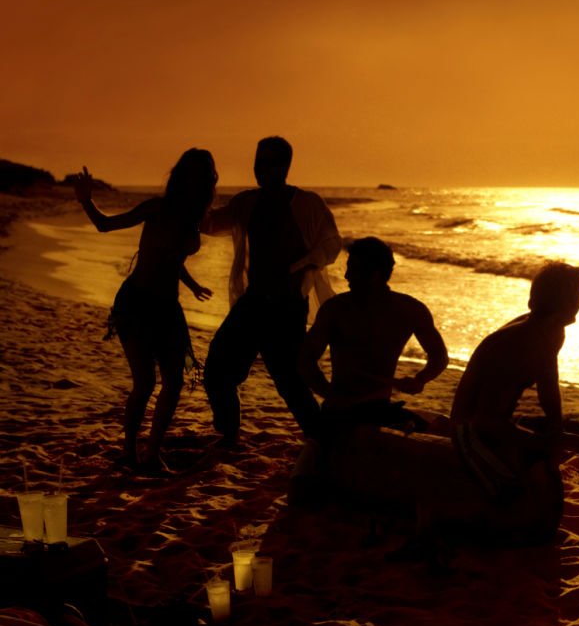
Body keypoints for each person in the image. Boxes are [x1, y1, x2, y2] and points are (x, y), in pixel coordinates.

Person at [451, 262, 579, 529]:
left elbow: (549, 387)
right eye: (577, 296)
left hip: (501, 420)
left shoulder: (552, 331)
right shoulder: (516, 342)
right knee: (541, 468)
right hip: (473, 432)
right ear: (565, 301)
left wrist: (556, 428)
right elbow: (482, 419)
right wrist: (538, 441)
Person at [72, 151, 216, 473]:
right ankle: (129, 452)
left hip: (168, 307)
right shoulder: (156, 207)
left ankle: (152, 454)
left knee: (175, 381)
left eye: (203, 176)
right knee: (146, 382)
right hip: (136, 303)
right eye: (193, 175)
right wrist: (86, 200)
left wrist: (191, 285)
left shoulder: (195, 217)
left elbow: (172, 258)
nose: (198, 182)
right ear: (181, 178)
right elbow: (105, 225)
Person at [203, 136, 341, 447]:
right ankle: (228, 433)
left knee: (289, 380)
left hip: (288, 305)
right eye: (258, 162)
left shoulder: (307, 203)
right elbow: (209, 224)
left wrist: (302, 265)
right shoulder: (246, 202)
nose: (261, 169)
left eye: (269, 162)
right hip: (254, 301)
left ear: (284, 166)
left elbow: (331, 244)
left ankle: (321, 440)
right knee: (217, 370)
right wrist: (198, 192)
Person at [299, 236, 449, 433]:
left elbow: (439, 357)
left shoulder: (410, 310)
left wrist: (420, 378)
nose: (346, 276)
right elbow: (305, 359)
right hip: (340, 413)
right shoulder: (336, 309)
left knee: (446, 430)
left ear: (376, 275)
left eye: (353, 268)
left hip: (380, 409)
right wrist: (330, 393)